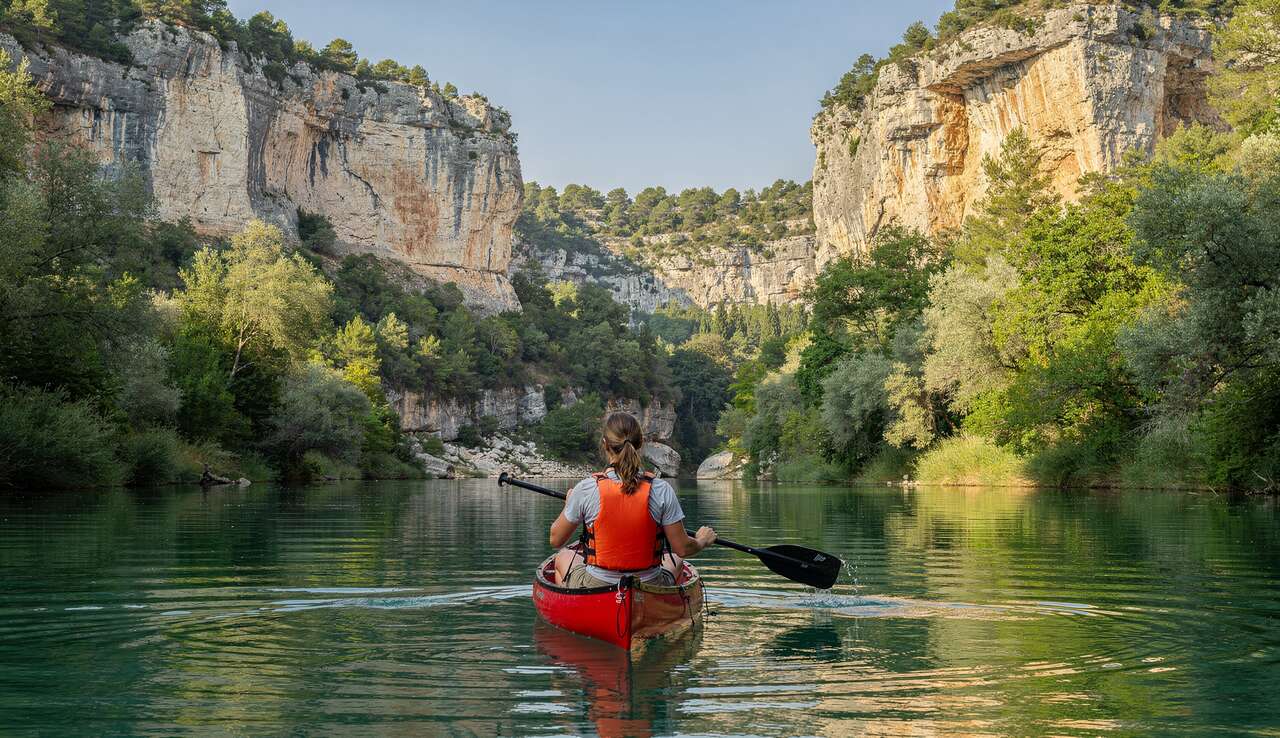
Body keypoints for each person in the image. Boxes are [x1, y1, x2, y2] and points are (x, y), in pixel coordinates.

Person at [549, 411, 716, 588]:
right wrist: (701, 541)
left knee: (562, 557)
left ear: (605, 444)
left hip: (597, 585)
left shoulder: (586, 488)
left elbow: (556, 540)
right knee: (675, 559)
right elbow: (682, 548)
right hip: (650, 584)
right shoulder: (661, 489)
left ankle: (573, 606)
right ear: (640, 443)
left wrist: (569, 505)